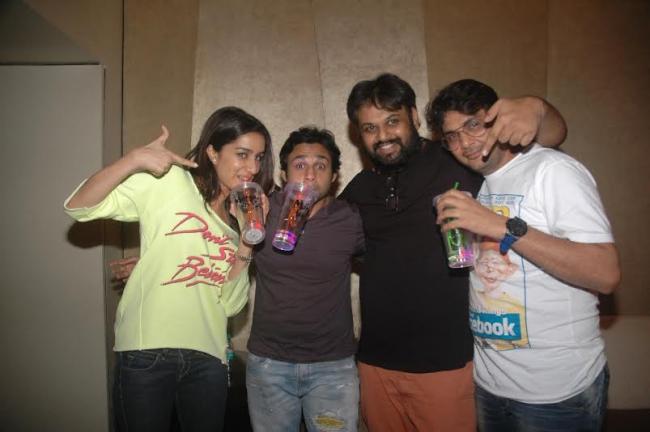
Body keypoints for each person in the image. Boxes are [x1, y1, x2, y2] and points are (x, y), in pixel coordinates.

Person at [340, 73, 567, 431]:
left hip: (446, 363)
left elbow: (550, 136)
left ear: (414, 116)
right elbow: (328, 237)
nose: (382, 135)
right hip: (375, 363)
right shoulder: (359, 188)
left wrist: (535, 108)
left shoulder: (458, 157)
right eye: (370, 128)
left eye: (392, 121)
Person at [64, 106, 274, 432]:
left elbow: (231, 305)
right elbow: (79, 206)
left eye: (259, 158)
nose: (253, 167)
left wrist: (247, 242)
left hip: (209, 359)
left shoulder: (236, 226)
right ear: (213, 152)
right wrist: (134, 159)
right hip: (147, 351)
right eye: (242, 154)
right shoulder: (171, 182)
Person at [428, 78, 620, 431]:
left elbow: (605, 273)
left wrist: (500, 226)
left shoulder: (552, 170)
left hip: (556, 392)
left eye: (473, 124)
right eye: (451, 136)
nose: (464, 143)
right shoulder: (482, 188)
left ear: (498, 119)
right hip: (491, 386)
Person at [246, 127, 365, 432]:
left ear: (334, 176)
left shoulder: (351, 219)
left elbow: (388, 262)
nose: (310, 174)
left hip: (333, 368)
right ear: (284, 173)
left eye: (320, 165)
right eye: (300, 164)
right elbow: (217, 248)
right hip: (268, 365)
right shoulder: (259, 211)